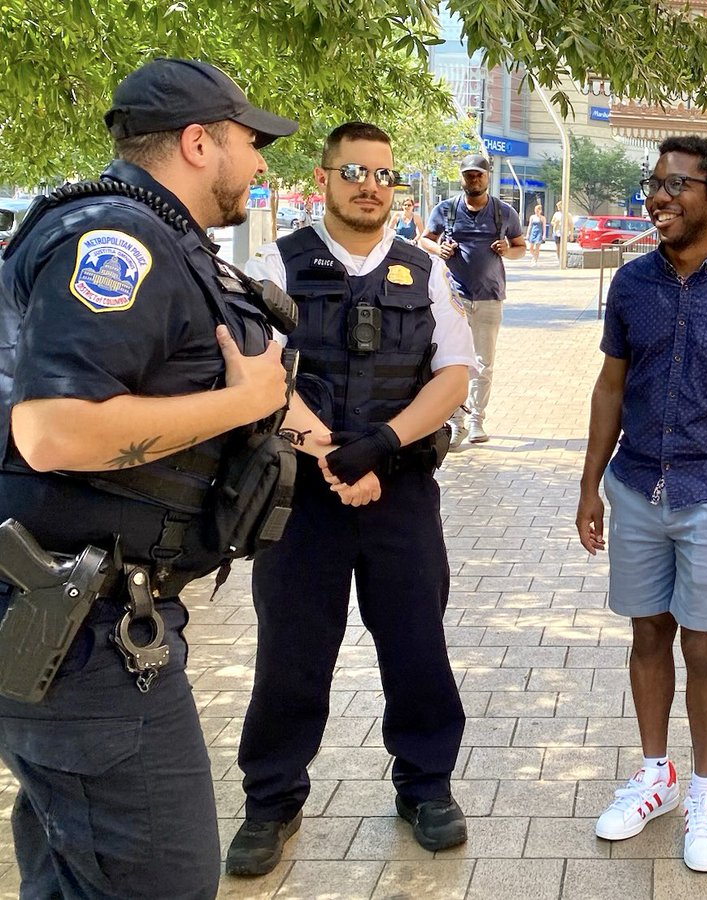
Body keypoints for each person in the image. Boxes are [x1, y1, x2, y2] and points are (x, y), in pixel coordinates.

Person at [0, 57, 295, 898]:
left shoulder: (154, 238)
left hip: (79, 629)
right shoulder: (120, 241)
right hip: (80, 638)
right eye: (250, 141)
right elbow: (54, 431)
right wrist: (242, 404)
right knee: (161, 880)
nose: (261, 161)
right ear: (199, 142)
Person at [226, 122, 476, 876]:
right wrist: (336, 456)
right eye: (355, 171)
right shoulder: (276, 262)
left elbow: (456, 374)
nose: (371, 185)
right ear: (325, 176)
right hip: (301, 498)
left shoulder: (424, 271)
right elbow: (253, 372)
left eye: (384, 174)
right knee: (291, 656)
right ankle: (272, 800)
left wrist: (386, 445)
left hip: (399, 493)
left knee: (416, 647)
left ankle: (425, 785)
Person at [576, 135, 707, 873]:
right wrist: (589, 485)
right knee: (646, 634)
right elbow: (611, 387)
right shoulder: (632, 284)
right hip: (637, 483)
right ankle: (653, 775)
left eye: (676, 185)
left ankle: (703, 787)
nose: (658, 197)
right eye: (653, 183)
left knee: (703, 643)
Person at [419, 154, 526, 448]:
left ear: (488, 176)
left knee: (484, 363)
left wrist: (507, 248)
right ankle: (455, 422)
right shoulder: (447, 210)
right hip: (454, 299)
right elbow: (425, 239)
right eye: (468, 175)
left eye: (478, 174)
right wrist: (438, 248)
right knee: (451, 362)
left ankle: (478, 419)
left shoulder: (504, 213)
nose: (473, 179)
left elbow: (521, 248)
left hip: (490, 298)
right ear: (462, 178)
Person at [526, 202, 547, 266]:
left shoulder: (542, 218)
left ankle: (535, 261)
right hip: (533, 232)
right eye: (535, 210)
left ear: (540, 211)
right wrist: (528, 234)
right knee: (531, 248)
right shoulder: (532, 217)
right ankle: (534, 256)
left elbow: (544, 227)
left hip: (539, 233)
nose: (536, 212)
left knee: (537, 248)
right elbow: (530, 226)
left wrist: (544, 235)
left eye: (538, 210)